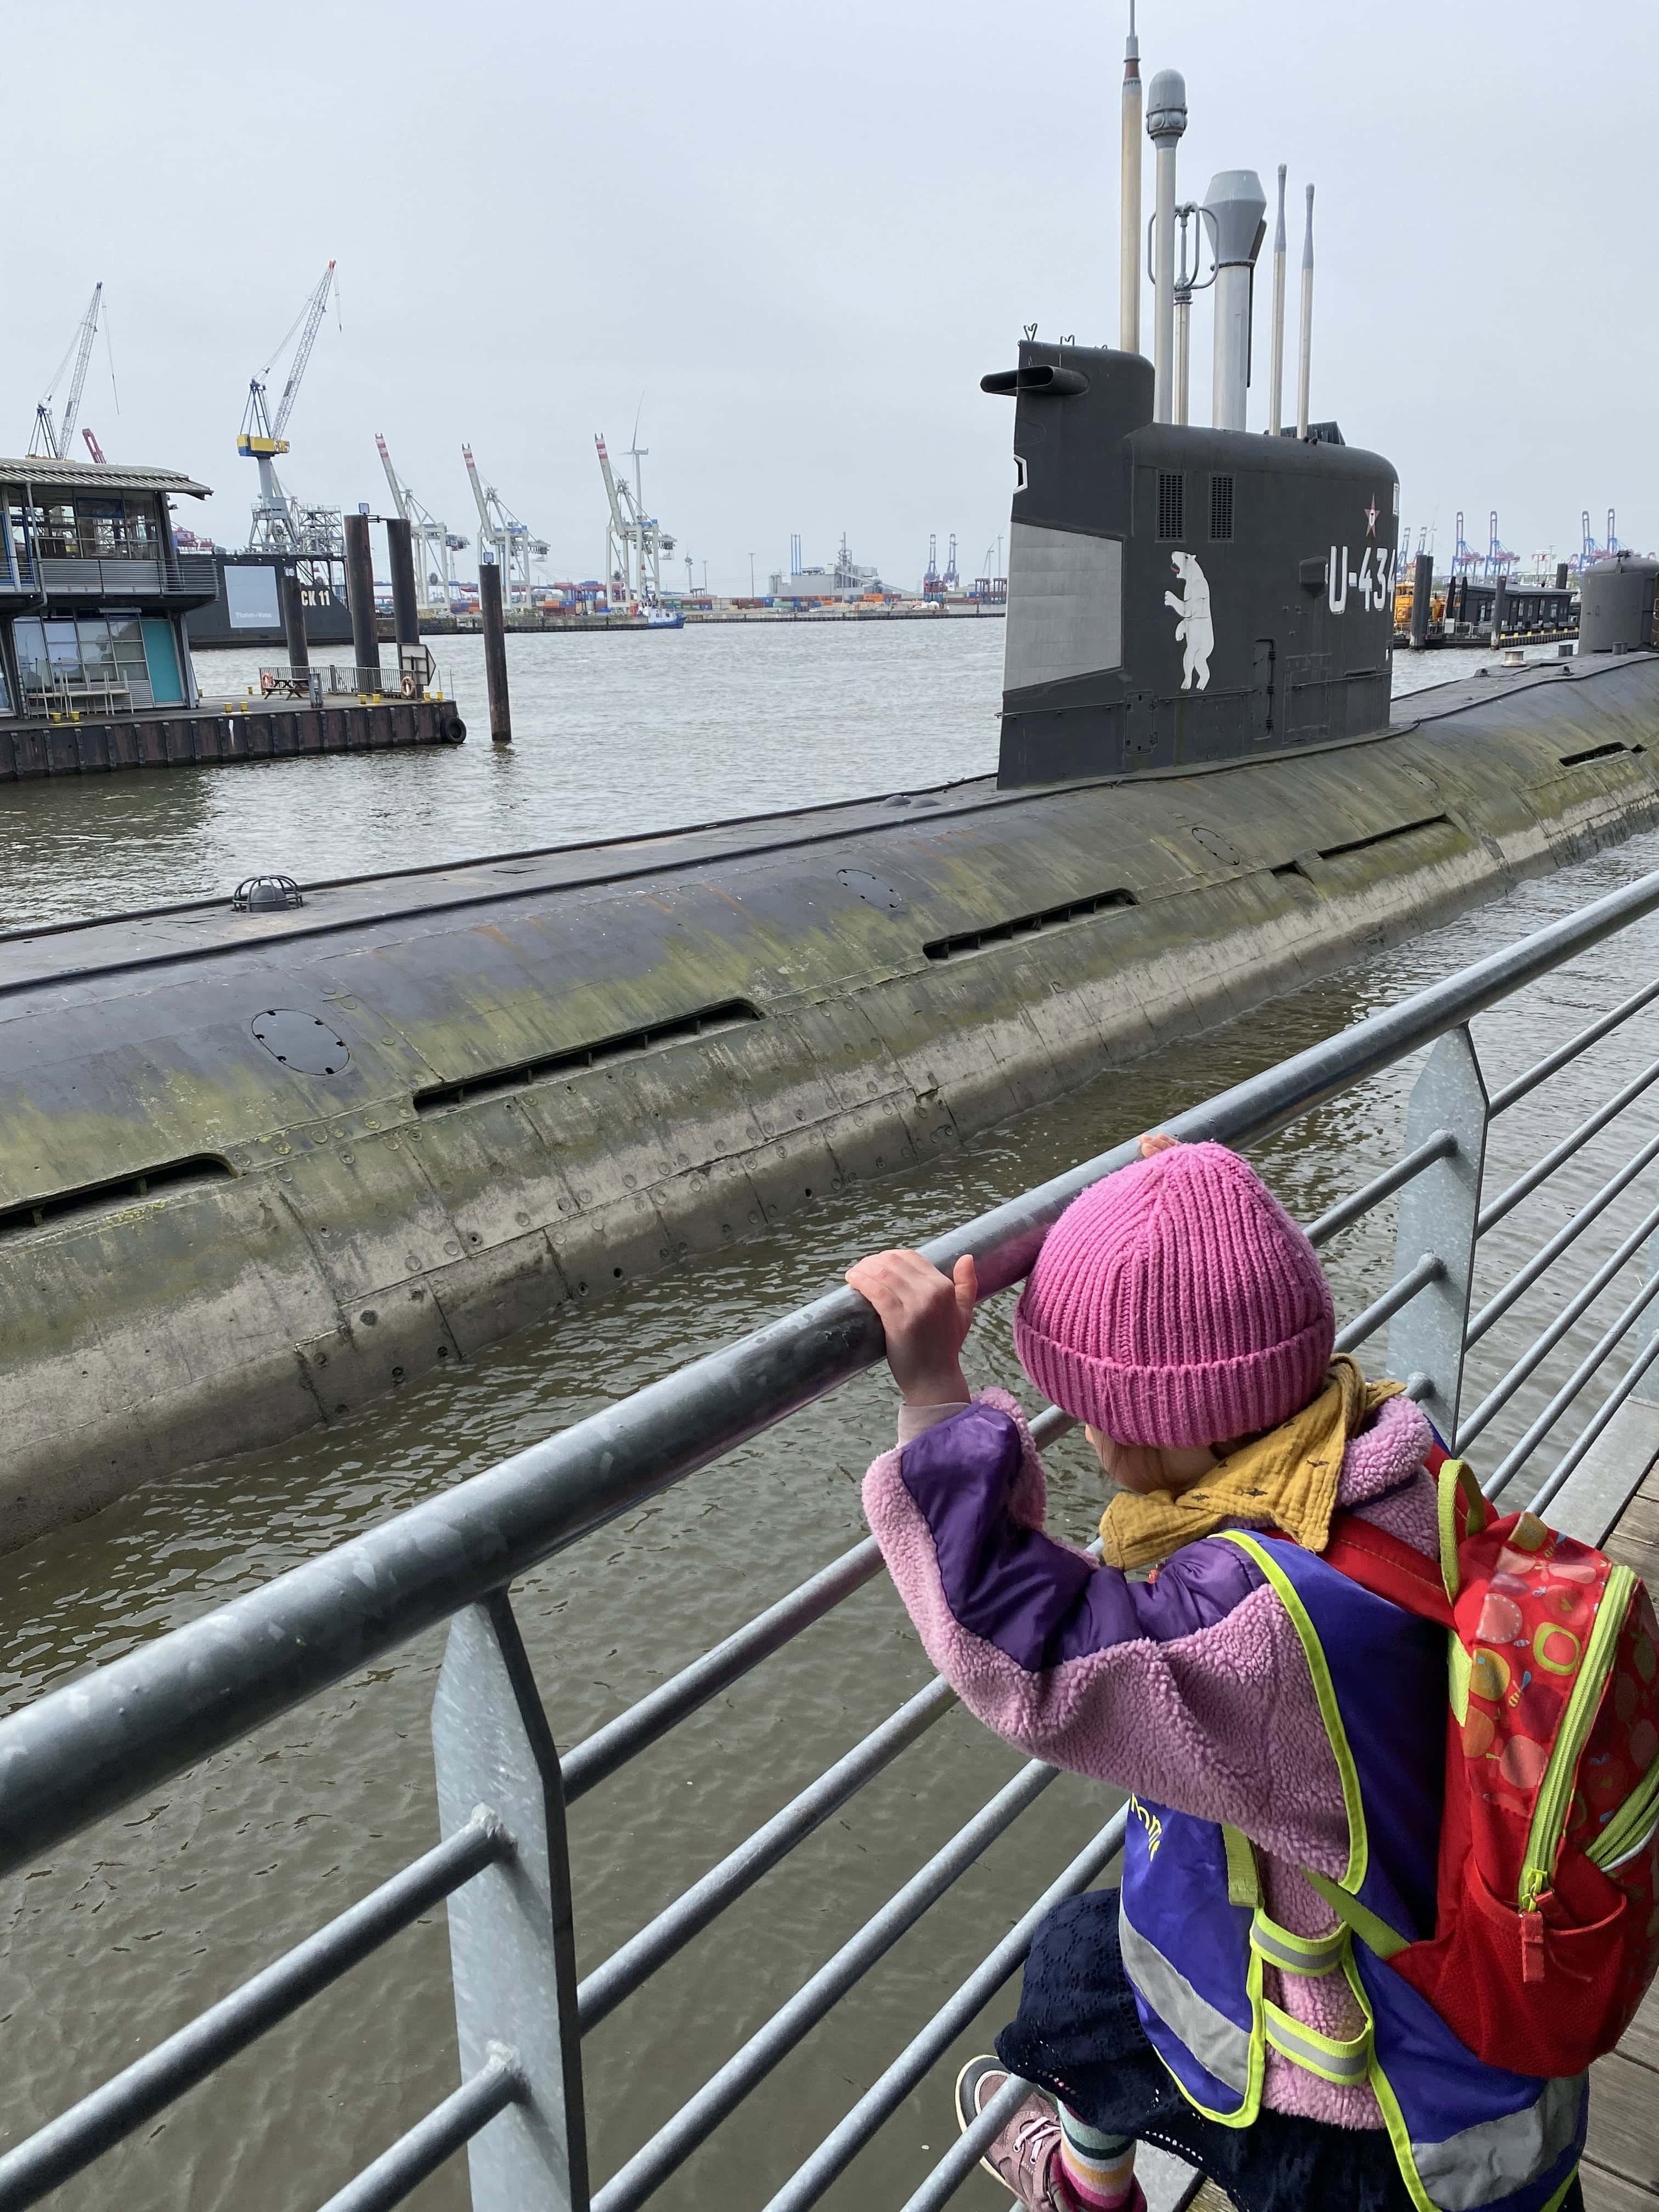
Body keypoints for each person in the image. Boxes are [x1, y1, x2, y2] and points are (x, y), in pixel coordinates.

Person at [847, 1138, 1585, 2212]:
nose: (1088, 1438)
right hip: (1473, 2025)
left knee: (1092, 1981)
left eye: (1095, 1416)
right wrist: (1166, 1210)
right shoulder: (1385, 1473)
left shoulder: (1253, 1627)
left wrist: (933, 1399)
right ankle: (1088, 2186)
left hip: (1369, 2114)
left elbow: (1033, 1653)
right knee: (1084, 1968)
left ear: (1161, 1441)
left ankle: (1085, 2183)